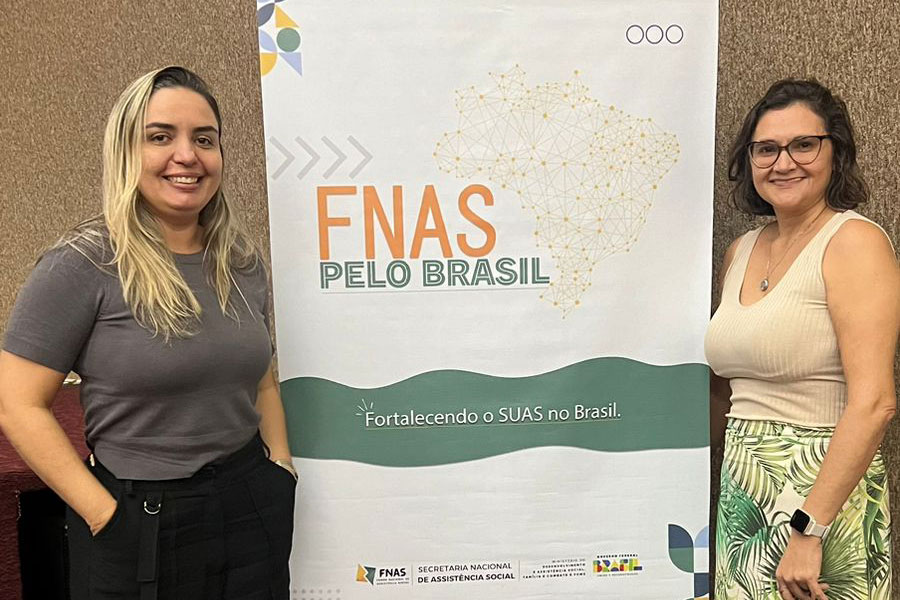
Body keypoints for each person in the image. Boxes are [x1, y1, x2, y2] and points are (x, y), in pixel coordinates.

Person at [0, 66, 296, 599]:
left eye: (204, 139)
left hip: (251, 505)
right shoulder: (82, 263)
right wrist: (104, 515)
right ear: (125, 152)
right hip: (137, 520)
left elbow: (263, 380)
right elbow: (17, 404)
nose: (187, 155)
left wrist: (280, 466)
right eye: (160, 137)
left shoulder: (240, 262)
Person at [705, 78, 898, 600]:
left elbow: (875, 403)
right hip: (745, 497)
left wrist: (810, 529)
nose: (783, 162)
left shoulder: (854, 243)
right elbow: (726, 386)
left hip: (821, 500)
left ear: (836, 152)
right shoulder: (741, 250)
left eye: (804, 145)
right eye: (766, 149)